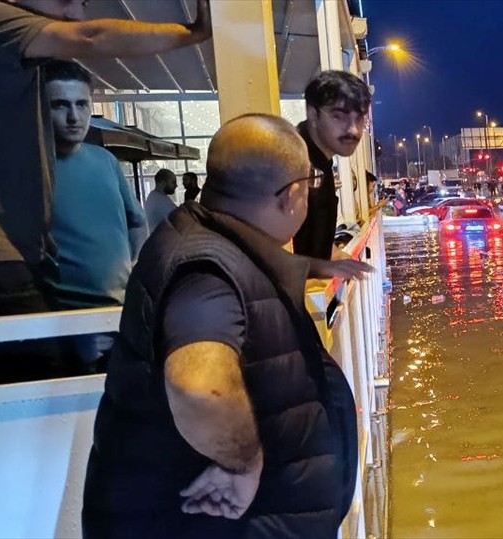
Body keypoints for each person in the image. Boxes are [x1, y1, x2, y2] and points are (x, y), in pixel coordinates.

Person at [83, 113, 372, 537]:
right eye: (308, 186)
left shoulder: (211, 244)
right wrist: (242, 461)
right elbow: (199, 385)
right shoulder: (206, 270)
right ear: (291, 195)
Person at [0, 0, 210, 382]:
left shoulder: (101, 162)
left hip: (21, 259)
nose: (75, 13)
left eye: (82, 104)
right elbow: (90, 37)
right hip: (0, 262)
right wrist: (193, 33)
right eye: (68, 0)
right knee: (51, 387)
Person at [43, 59, 145, 372]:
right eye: (60, 105)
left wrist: (137, 271)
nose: (74, 116)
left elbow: (137, 223)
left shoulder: (105, 160)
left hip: (122, 315)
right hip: (68, 323)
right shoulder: (31, 171)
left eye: (81, 104)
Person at [292, 71, 370, 260]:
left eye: (359, 119)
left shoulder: (321, 162)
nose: (352, 130)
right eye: (339, 116)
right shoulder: (292, 161)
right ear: (313, 114)